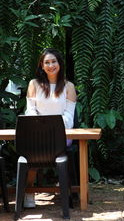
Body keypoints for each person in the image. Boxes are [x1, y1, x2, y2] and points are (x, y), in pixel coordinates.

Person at [23, 48, 77, 208]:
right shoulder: (34, 84)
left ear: (59, 64)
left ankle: (68, 192)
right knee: (33, 152)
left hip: (61, 134)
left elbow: (69, 116)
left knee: (47, 147)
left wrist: (53, 127)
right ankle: (29, 191)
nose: (51, 65)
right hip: (36, 133)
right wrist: (39, 127)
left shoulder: (69, 86)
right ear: (41, 65)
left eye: (54, 61)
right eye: (47, 62)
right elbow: (30, 111)